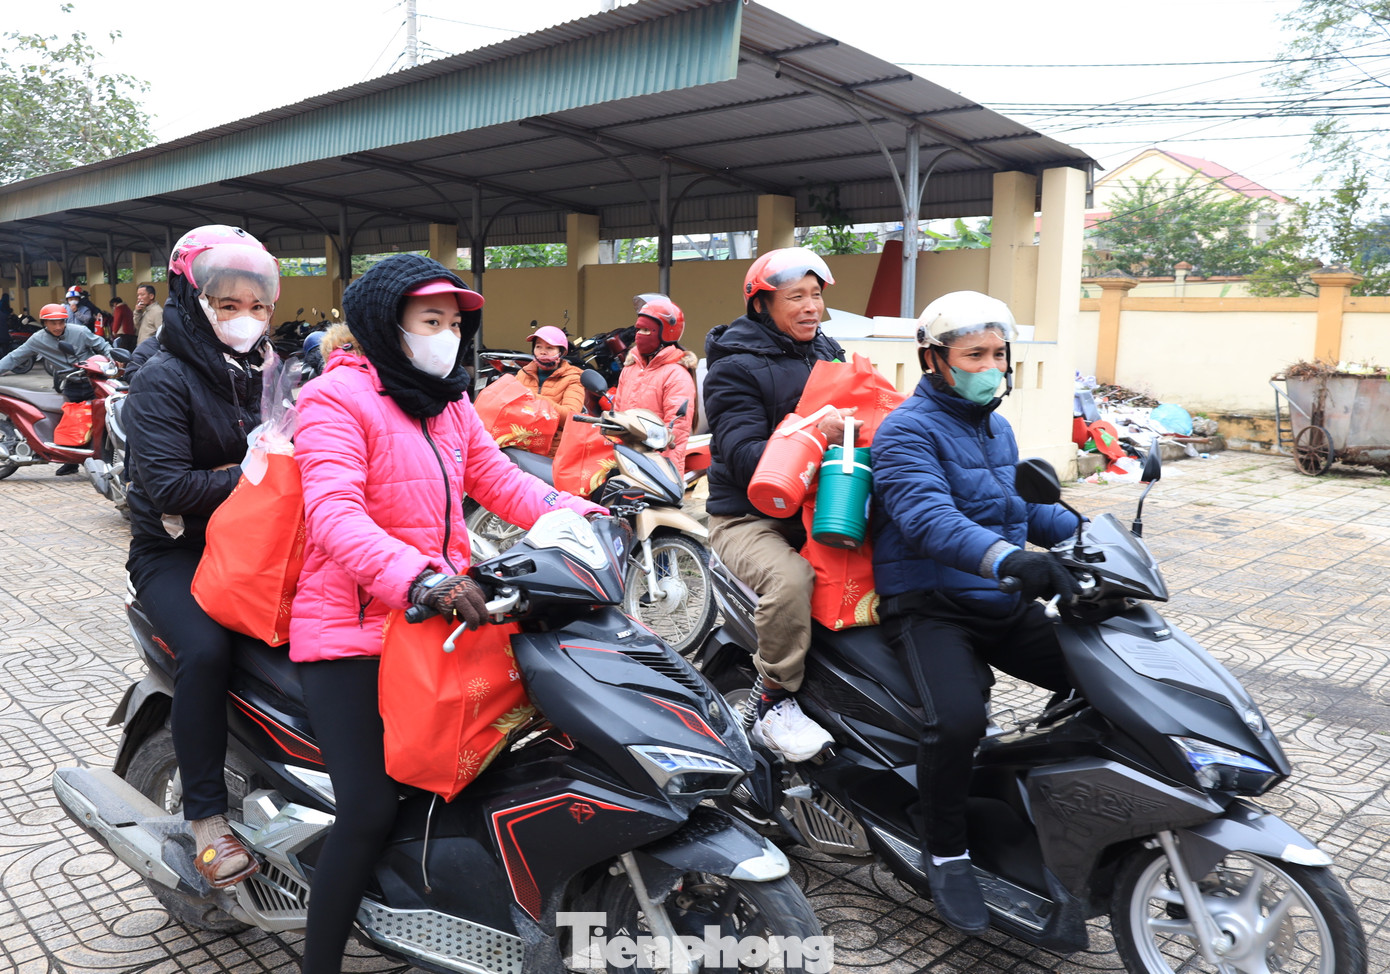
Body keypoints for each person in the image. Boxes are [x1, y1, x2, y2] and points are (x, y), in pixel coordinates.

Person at [289, 253, 604, 974]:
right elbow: (333, 516)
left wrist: (587, 516)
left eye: (455, 323)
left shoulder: (448, 400)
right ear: (383, 324)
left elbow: (498, 480)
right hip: (352, 631)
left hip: (438, 619)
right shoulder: (336, 400)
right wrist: (422, 577)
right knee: (368, 807)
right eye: (431, 321)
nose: (448, 336)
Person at [871, 290, 1081, 936]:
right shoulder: (904, 431)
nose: (991, 366)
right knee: (958, 718)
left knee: (1093, 671)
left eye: (997, 353)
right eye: (974, 355)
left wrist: (1086, 535)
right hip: (929, 602)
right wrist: (1008, 561)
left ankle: (1034, 798)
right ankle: (946, 847)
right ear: (934, 360)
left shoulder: (995, 424)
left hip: (994, 597)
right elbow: (930, 520)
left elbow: (1016, 504)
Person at [122, 224, 281, 890]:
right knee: (209, 652)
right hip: (175, 552)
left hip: (259, 544)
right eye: (228, 305)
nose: (246, 320)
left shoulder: (269, 368)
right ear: (193, 300)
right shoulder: (164, 376)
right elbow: (168, 487)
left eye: (257, 306)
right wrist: (256, 475)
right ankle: (208, 819)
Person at [703, 247, 855, 762]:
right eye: (797, 297)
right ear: (763, 305)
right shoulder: (734, 369)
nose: (812, 306)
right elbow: (743, 458)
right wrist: (818, 433)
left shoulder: (828, 352)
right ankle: (775, 698)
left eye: (816, 295)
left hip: (821, 503)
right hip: (748, 516)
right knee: (791, 581)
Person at [0, 302, 113, 474]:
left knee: (101, 417)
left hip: (94, 380)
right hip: (70, 382)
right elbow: (14, 357)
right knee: (71, 420)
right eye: (53, 323)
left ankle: (104, 455)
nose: (58, 326)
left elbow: (102, 345)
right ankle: (72, 460)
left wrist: (113, 359)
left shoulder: (80, 332)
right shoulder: (37, 339)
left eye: (61, 322)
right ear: (44, 323)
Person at [612, 294, 697, 478]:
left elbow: (676, 434)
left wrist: (664, 474)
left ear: (665, 333)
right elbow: (617, 415)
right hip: (627, 462)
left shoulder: (676, 375)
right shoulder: (630, 368)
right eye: (638, 329)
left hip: (657, 469)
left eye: (646, 330)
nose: (639, 335)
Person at [516, 324, 585, 449]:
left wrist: (536, 399)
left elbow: (571, 416)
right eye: (538, 347)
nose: (542, 351)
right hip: (522, 445)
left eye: (549, 348)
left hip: (554, 448)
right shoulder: (523, 373)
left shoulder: (573, 377)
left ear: (561, 352)